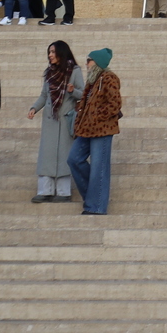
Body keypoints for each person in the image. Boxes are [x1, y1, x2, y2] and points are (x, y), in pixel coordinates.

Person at [25, 39, 85, 202]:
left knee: (65, 154)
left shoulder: (74, 71)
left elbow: (84, 93)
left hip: (66, 119)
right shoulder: (49, 72)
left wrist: (73, 91)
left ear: (61, 53)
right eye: (49, 52)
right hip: (51, 119)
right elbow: (44, 95)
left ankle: (63, 192)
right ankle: (45, 190)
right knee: (48, 154)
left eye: (53, 52)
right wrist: (34, 108)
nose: (50, 55)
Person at [70, 48, 121, 215]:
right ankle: (94, 197)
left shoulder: (109, 78)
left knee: (99, 167)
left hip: (102, 129)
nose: (86, 64)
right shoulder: (92, 81)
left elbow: (115, 104)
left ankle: (96, 206)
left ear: (97, 62)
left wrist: (97, 117)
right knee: (74, 159)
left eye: (89, 60)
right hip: (85, 129)